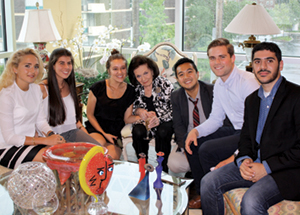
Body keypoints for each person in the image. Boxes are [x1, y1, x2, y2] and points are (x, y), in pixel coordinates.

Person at [201, 42, 300, 214]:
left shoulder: (296, 96)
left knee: (252, 200)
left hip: (285, 171)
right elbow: (246, 137)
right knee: (208, 182)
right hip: (254, 163)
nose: (263, 67)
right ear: (252, 65)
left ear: (280, 64)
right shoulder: (252, 100)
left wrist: (266, 167)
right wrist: (243, 159)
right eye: (257, 61)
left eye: (269, 61)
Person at [184, 38, 260, 208]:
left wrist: (235, 155)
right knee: (192, 141)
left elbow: (256, 129)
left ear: (232, 58)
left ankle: (213, 190)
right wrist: (195, 131)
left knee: (206, 149)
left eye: (221, 57)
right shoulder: (219, 84)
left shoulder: (247, 83)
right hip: (235, 129)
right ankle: (203, 191)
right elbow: (216, 119)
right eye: (212, 58)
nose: (216, 62)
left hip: (251, 134)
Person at [0, 48, 65, 169]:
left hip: (29, 143)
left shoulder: (35, 89)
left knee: (64, 152)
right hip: (6, 147)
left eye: (36, 66)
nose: (33, 71)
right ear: (15, 69)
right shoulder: (7, 95)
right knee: (53, 159)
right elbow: (10, 137)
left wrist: (52, 135)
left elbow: (40, 122)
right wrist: (45, 141)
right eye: (27, 66)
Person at [85, 49, 139, 160]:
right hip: (97, 130)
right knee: (98, 145)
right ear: (108, 71)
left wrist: (144, 116)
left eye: (123, 68)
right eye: (115, 69)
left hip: (115, 135)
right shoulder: (97, 88)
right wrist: (104, 134)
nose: (120, 72)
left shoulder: (130, 91)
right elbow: (89, 115)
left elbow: (127, 118)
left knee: (110, 159)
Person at [40, 48, 100, 146]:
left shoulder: (70, 86)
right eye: (62, 63)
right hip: (53, 138)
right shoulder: (42, 89)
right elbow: (36, 122)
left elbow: (76, 122)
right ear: (53, 65)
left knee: (99, 152)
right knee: (76, 158)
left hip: (73, 133)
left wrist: (88, 137)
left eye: (69, 63)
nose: (67, 67)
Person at [167, 57, 214, 174]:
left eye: (189, 72)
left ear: (197, 74)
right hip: (189, 140)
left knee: (208, 157)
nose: (186, 77)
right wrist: (187, 149)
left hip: (211, 139)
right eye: (181, 74)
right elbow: (178, 126)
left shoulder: (212, 91)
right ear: (177, 79)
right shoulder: (176, 96)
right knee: (174, 163)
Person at [128, 55, 174, 172]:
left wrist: (159, 119)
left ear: (152, 71)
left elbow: (175, 109)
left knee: (162, 132)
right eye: (138, 76)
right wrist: (139, 111)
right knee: (138, 131)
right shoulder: (135, 89)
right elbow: (132, 108)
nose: (143, 79)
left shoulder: (165, 84)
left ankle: (162, 168)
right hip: (144, 121)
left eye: (145, 73)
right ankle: (143, 166)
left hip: (165, 120)